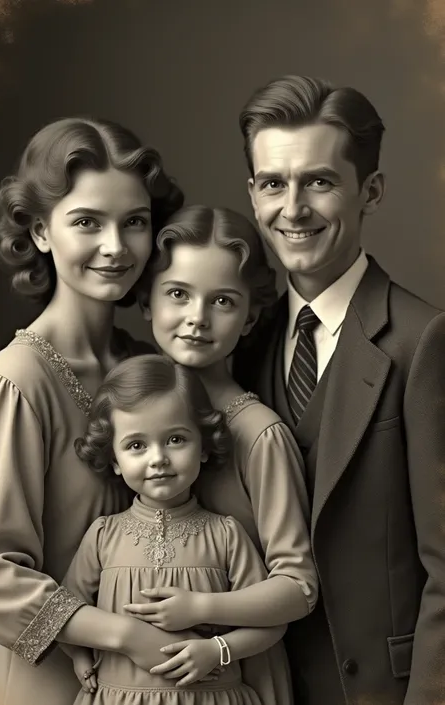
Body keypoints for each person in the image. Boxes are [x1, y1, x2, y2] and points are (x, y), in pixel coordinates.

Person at [232, 74, 445, 705]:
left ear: (370, 191)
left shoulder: (423, 341)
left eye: (319, 182)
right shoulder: (239, 342)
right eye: (274, 183)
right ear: (252, 195)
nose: (292, 209)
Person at [0, 116, 190, 705]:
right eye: (87, 222)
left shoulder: (144, 365)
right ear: (41, 232)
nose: (116, 247)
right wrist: (123, 634)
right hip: (51, 684)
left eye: (135, 222)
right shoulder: (18, 380)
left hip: (156, 683)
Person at [124, 205, 318, 703]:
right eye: (178, 294)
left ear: (250, 315)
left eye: (223, 301)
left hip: (241, 674)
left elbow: (298, 587)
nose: (197, 319)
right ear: (147, 301)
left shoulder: (259, 436)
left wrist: (202, 609)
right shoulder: (127, 414)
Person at [62, 353, 291, 705]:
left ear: (203, 445)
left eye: (175, 439)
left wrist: (219, 650)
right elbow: (68, 611)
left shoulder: (226, 535)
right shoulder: (103, 535)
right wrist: (80, 656)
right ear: (114, 461)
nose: (158, 459)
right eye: (137, 445)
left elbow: (271, 621)